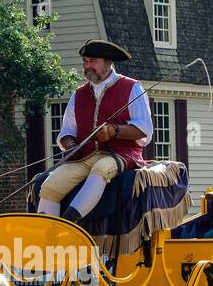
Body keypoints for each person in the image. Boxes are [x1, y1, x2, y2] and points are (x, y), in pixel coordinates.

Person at [38, 38, 153, 223]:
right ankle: (46, 235)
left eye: (93, 61)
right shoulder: (79, 94)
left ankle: (69, 222)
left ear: (108, 63)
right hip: (84, 156)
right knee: (49, 186)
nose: (87, 66)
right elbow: (67, 131)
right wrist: (70, 145)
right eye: (85, 61)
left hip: (121, 154)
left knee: (101, 169)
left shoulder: (131, 87)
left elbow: (144, 130)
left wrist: (114, 130)